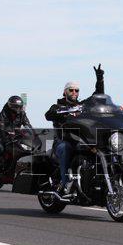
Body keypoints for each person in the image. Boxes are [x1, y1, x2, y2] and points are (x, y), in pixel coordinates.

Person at [45, 64, 104, 194]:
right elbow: (48, 114)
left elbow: (97, 97)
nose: (74, 93)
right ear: (65, 92)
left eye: (76, 90)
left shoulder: (82, 106)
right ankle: (66, 182)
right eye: (71, 90)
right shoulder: (58, 106)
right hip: (63, 140)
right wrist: (59, 112)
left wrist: (100, 79)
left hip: (82, 140)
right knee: (65, 148)